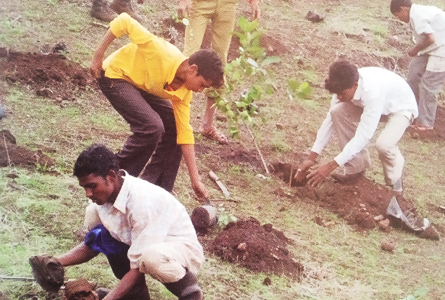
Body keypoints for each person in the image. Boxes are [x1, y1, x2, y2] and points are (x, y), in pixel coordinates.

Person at [90, 13, 224, 199]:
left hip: (141, 86)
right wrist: (98, 56)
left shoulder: (184, 92)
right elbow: (124, 21)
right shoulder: (160, 51)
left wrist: (196, 180)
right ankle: (111, 180)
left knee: (175, 127)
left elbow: (185, 134)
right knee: (152, 126)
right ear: (193, 70)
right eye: (202, 84)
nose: (201, 91)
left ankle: (154, 192)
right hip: (116, 76)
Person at [56, 144, 205, 300]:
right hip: (143, 245)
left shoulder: (142, 202)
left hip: (179, 250)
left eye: (92, 186)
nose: (88, 193)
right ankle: (136, 297)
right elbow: (93, 245)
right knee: (103, 231)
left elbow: (138, 266)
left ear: (111, 176)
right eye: (84, 187)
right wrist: (57, 262)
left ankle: (190, 293)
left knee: (151, 258)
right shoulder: (102, 201)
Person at [296, 59, 418, 193]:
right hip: (378, 104)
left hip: (401, 107)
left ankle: (395, 185)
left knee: (384, 145)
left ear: (355, 86)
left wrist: (332, 165)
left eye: (342, 93)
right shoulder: (342, 86)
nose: (339, 97)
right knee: (336, 112)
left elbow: (363, 136)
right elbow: (329, 121)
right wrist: (311, 158)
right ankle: (356, 168)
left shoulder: (372, 93)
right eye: (337, 93)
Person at [178, 0, 260, 144]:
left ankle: (207, 125)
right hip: (199, 3)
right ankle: (174, 120)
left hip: (227, 4)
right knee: (188, 58)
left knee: (220, 63)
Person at [391, 0, 445, 131]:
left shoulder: (418, 15)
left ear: (404, 9)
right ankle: (412, 113)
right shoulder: (417, 13)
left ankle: (426, 124)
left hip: (441, 49)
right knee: (413, 77)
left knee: (429, 85)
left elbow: (430, 39)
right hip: (431, 48)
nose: (400, 19)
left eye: (398, 15)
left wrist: (414, 50)